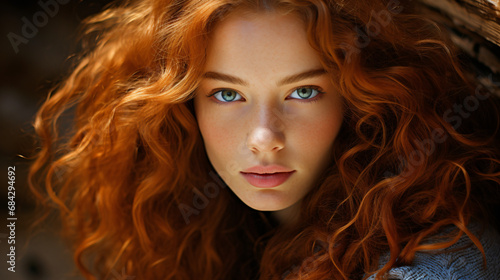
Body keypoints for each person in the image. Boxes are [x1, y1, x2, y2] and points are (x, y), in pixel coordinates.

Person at [29, 0, 500, 279]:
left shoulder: (434, 257)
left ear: (360, 98)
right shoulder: (204, 223)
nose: (263, 138)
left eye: (304, 91)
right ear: (180, 105)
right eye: (228, 93)